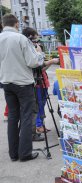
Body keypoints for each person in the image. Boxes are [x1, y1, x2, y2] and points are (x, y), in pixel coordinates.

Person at [0, 14, 45, 161]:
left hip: (7, 83)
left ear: (3, 24)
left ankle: (13, 154)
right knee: (26, 117)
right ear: (17, 24)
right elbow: (33, 62)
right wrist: (39, 54)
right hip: (23, 83)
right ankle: (25, 153)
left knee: (13, 117)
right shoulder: (20, 38)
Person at [21, 27, 59, 135]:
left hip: (43, 80)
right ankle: (38, 125)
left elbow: (42, 69)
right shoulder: (28, 52)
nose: (37, 44)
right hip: (36, 83)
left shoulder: (35, 51)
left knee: (42, 104)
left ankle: (41, 124)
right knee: (38, 105)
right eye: (35, 41)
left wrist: (50, 62)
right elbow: (36, 68)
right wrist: (50, 60)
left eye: (38, 41)